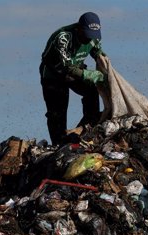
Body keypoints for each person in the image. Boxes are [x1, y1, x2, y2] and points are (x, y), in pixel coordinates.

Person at [40, 12, 106, 145]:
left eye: (92, 37)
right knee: (57, 112)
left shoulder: (94, 37)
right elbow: (68, 67)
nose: (89, 39)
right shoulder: (63, 38)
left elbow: (97, 52)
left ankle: (87, 128)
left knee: (92, 91)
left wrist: (105, 64)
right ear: (79, 29)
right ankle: (59, 143)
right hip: (53, 74)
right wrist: (89, 74)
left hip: (76, 69)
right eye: (86, 36)